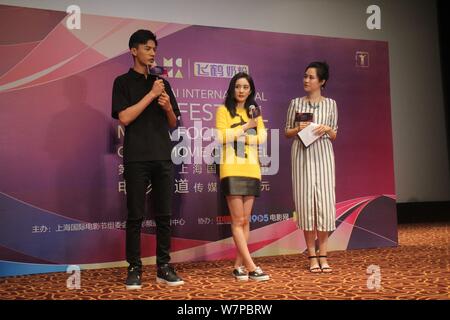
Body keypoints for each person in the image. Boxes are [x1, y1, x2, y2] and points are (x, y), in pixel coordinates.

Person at [111, 29, 184, 289]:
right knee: (136, 215)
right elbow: (125, 117)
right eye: (147, 48)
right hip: (136, 158)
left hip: (163, 156)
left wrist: (165, 106)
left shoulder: (163, 83)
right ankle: (134, 267)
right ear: (134, 50)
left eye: (154, 48)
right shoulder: (122, 82)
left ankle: (164, 266)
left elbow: (174, 122)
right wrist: (151, 95)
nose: (153, 52)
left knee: (164, 214)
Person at [215, 72, 270, 281]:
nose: (241, 91)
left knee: (245, 221)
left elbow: (262, 138)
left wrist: (239, 134)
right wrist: (247, 128)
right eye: (238, 86)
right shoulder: (223, 111)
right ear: (232, 88)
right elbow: (221, 137)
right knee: (238, 221)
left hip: (252, 169)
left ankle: (238, 266)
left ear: (251, 90)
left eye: (245, 87)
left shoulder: (255, 112)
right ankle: (251, 266)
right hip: (232, 168)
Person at [284, 61, 338, 273]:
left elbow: (334, 134)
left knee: (324, 204)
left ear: (322, 81)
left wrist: (326, 129)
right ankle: (312, 256)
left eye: (311, 77)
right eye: (305, 76)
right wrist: (298, 127)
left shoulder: (331, 104)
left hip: (323, 156)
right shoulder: (295, 103)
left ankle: (323, 254)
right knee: (306, 206)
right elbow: (287, 132)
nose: (306, 80)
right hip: (302, 157)